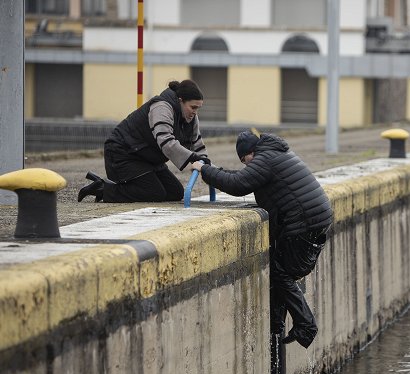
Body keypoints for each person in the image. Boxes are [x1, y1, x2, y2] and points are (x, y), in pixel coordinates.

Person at [192, 130, 333, 348]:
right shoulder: (275, 153)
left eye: (245, 161)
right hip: (314, 219)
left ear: (249, 153)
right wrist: (216, 171)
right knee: (281, 272)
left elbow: (237, 185)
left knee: (280, 273)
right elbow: (241, 178)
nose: (247, 165)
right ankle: (277, 326)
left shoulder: (264, 159)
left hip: (305, 223)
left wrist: (204, 170)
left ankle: (306, 325)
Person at [77, 79, 210, 203]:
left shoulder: (190, 117)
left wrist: (208, 168)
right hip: (122, 153)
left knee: (175, 193)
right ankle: (103, 189)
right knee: (154, 193)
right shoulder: (161, 107)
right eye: (193, 107)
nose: (195, 112)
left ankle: (126, 185)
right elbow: (166, 141)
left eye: (198, 108)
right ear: (180, 101)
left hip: (147, 157)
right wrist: (192, 157)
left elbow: (197, 143)